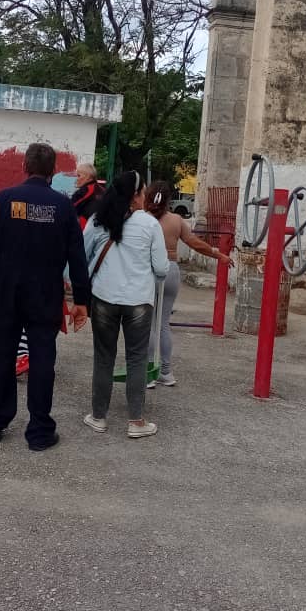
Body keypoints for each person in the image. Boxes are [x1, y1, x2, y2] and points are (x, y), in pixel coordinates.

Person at [0, 143, 90, 451]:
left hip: (8, 292)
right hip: (46, 296)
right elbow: (77, 258)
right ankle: (39, 431)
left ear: (25, 166)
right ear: (53, 171)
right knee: (42, 360)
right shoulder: (63, 207)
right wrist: (81, 301)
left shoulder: (4, 199)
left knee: (1, 355)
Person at [82, 171, 168, 439]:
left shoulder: (98, 220)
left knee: (104, 358)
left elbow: (82, 257)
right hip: (139, 302)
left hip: (104, 297)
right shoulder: (150, 224)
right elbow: (162, 268)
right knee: (137, 359)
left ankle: (98, 417)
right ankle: (136, 421)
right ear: (136, 195)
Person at [144, 180, 235, 389]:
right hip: (171, 271)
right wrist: (218, 254)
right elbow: (194, 243)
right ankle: (166, 372)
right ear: (168, 199)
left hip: (148, 271)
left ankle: (148, 373)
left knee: (148, 323)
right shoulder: (176, 220)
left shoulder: (142, 220)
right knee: (163, 323)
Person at [71, 162, 103, 229]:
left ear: (88, 177)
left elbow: (69, 208)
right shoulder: (103, 190)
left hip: (84, 229)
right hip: (100, 230)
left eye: (79, 176)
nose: (76, 179)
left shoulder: (85, 190)